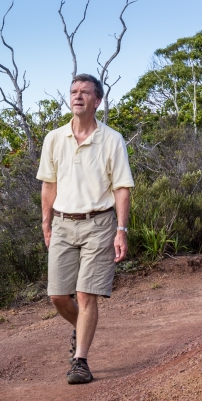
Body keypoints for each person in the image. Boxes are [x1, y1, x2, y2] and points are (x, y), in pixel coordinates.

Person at [36, 74, 134, 384]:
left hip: (100, 224)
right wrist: (46, 222)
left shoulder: (111, 139)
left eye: (85, 92)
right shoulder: (54, 138)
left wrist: (121, 230)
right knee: (57, 296)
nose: (78, 96)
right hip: (63, 223)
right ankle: (82, 329)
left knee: (85, 293)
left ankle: (80, 361)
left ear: (97, 100)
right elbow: (48, 185)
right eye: (74, 91)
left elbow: (121, 188)